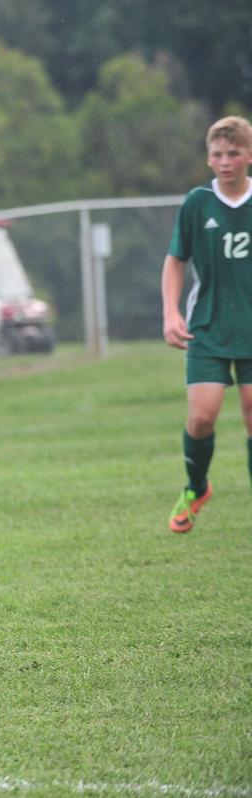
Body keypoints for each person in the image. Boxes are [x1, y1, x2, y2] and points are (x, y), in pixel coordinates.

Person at [161, 115, 252, 533]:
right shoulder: (198, 203)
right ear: (209, 158)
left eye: (233, 153)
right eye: (217, 154)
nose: (225, 161)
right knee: (202, 418)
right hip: (208, 327)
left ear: (248, 155)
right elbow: (176, 260)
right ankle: (196, 488)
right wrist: (171, 312)